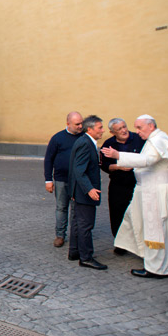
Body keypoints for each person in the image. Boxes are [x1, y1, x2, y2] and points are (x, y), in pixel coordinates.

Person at [102, 115, 168, 278]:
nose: (136, 132)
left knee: (157, 229)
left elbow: (148, 159)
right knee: (134, 219)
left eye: (139, 128)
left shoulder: (157, 139)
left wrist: (118, 155)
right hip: (149, 190)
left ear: (151, 126)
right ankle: (149, 257)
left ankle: (157, 268)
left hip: (156, 193)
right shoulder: (154, 138)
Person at [99, 118, 145, 254]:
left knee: (138, 213)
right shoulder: (108, 144)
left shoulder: (138, 139)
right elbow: (104, 165)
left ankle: (140, 243)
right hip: (118, 184)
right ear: (112, 132)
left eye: (124, 126)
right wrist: (118, 167)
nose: (124, 130)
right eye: (119, 129)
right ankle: (120, 243)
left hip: (138, 182)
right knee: (117, 213)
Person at [68, 115, 107, 270]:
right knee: (86, 225)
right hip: (84, 192)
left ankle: (75, 251)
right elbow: (79, 170)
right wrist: (89, 189)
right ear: (89, 129)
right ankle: (86, 257)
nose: (103, 131)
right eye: (100, 127)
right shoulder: (85, 143)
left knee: (78, 223)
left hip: (80, 191)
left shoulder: (85, 141)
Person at [44, 111, 84, 247]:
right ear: (68, 124)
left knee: (76, 209)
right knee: (61, 208)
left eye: (81, 123)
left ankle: (76, 235)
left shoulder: (84, 137)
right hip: (61, 179)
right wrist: (48, 180)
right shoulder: (58, 138)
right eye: (77, 124)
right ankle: (60, 235)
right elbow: (48, 159)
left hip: (78, 181)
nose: (80, 126)